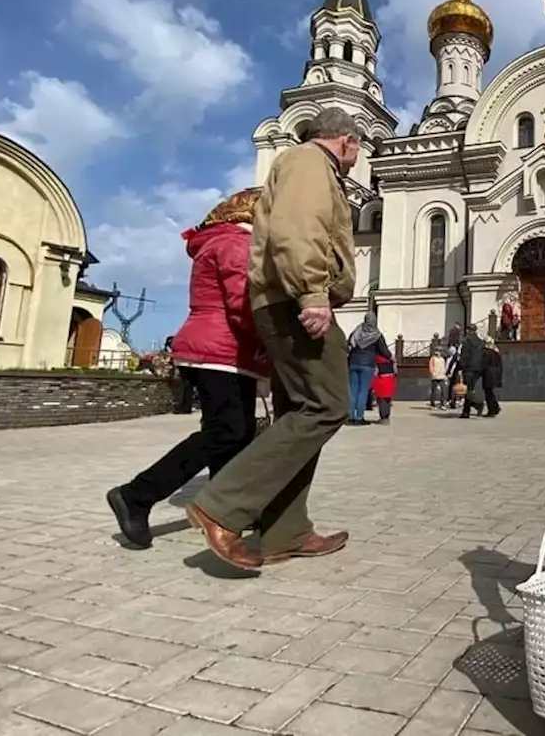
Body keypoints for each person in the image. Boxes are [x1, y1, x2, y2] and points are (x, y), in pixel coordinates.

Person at [183, 106, 360, 570]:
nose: (359, 158)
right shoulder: (309, 162)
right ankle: (221, 505)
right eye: (360, 148)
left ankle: (286, 531)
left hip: (284, 300)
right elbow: (299, 229)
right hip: (296, 301)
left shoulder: (304, 164)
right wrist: (313, 294)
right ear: (346, 141)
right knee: (327, 405)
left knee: (298, 411)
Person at [107, 188, 268, 549]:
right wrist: (269, 347)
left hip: (221, 350)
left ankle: (226, 509)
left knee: (235, 434)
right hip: (219, 349)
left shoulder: (222, 241)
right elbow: (243, 305)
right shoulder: (235, 244)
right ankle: (136, 495)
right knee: (224, 432)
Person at [347, 312, 392, 425]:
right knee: (363, 391)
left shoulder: (356, 331)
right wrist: (391, 358)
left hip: (353, 363)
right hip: (368, 365)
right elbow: (384, 352)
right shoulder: (377, 335)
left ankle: (351, 416)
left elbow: (348, 344)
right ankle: (359, 417)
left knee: (353, 391)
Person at [459, 324, 486, 418]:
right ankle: (466, 412)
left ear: (468, 330)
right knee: (469, 390)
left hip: (468, 368)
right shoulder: (481, 342)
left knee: (467, 390)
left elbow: (464, 356)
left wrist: (460, 367)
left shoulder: (466, 341)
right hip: (478, 369)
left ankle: (477, 405)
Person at [371, 352, 396, 425]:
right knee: (387, 400)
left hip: (381, 380)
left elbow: (375, 372)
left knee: (381, 400)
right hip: (390, 379)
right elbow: (395, 371)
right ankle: (386, 417)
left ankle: (383, 417)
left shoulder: (377, 359)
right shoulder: (391, 359)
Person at [481, 338, 503, 417]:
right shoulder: (496, 353)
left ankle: (493, 409)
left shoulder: (486, 352)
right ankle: (495, 407)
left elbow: (484, 364)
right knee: (490, 393)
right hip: (495, 375)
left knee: (488, 394)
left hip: (488, 375)